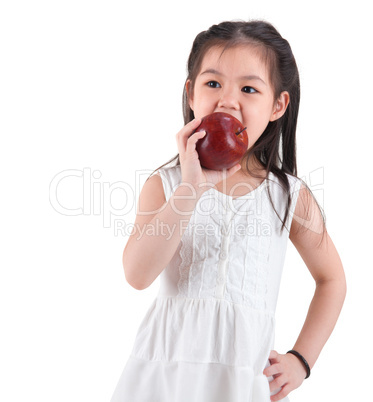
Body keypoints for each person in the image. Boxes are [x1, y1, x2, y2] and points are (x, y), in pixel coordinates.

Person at [110, 20, 346, 402]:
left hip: (240, 382)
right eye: (213, 83)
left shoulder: (288, 196)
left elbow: (332, 280)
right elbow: (137, 275)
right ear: (191, 93)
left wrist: (301, 360)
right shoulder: (166, 186)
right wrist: (189, 190)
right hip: (163, 378)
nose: (228, 101)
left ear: (277, 105)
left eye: (249, 88)